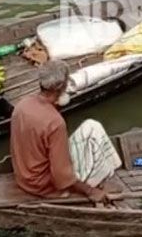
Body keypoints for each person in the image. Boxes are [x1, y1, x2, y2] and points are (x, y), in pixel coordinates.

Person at [9, 61, 118, 202]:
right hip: (43, 186)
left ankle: (106, 173)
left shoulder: (22, 104)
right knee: (93, 128)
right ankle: (102, 177)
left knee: (90, 127)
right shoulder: (55, 122)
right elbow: (61, 176)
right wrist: (90, 191)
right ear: (62, 87)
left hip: (23, 177)